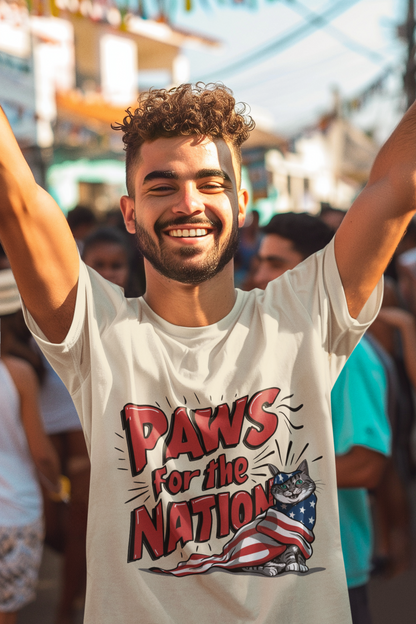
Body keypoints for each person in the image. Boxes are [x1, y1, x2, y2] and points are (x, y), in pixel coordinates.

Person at [0, 82, 415, 624]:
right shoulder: (96, 332)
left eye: (210, 182)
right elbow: (15, 198)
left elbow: (397, 183)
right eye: (161, 185)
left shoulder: (304, 313)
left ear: (241, 204)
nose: (188, 202)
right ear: (130, 213)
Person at [250, 213, 392, 624]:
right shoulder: (271, 345)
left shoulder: (346, 356)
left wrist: (244, 482)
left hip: (331, 574)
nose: (259, 276)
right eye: (259, 261)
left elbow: (367, 464)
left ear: (312, 272)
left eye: (276, 264)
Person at [0, 269, 61, 624]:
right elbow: (42, 454)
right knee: (7, 612)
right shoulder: (19, 373)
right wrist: (56, 487)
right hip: (15, 510)